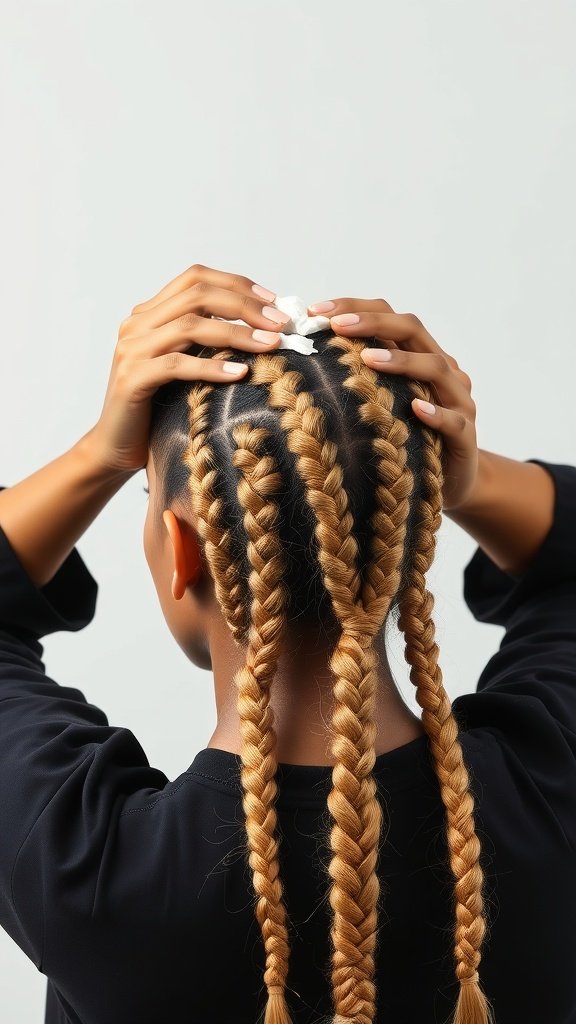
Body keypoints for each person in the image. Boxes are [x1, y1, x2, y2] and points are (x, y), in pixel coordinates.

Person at [0, 263, 574, 1024]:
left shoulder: (82, 871)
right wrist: (467, 481)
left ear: (182, 549)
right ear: (411, 536)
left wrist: (96, 455)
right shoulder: (553, 793)